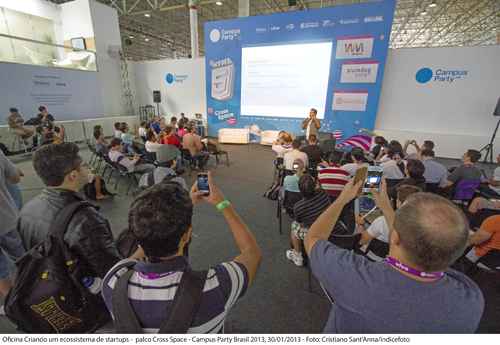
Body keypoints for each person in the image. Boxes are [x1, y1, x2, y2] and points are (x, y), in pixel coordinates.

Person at [304, 178, 484, 333]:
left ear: (395, 236)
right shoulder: (470, 298)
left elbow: (313, 238)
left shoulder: (352, 275)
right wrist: (386, 208)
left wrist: (342, 200)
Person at [101, 172, 261, 333]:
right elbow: (252, 253)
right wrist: (222, 203)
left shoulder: (113, 280)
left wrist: (179, 213)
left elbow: (141, 246)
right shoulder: (217, 285)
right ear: (186, 236)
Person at [18, 143, 121, 280]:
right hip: (82, 293)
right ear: (73, 175)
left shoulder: (27, 210)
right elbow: (111, 271)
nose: (88, 169)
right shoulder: (85, 219)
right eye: (84, 166)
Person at [286, 174, 331, 266]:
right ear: (315, 185)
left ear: (300, 190)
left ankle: (297, 256)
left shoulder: (298, 206)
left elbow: (300, 222)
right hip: (328, 228)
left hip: (313, 233)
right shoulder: (323, 193)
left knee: (294, 226)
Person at [0, 150, 25, 313]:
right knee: (23, 260)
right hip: (6, 219)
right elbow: (15, 177)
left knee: (0, 270)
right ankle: (33, 297)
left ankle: (14, 308)